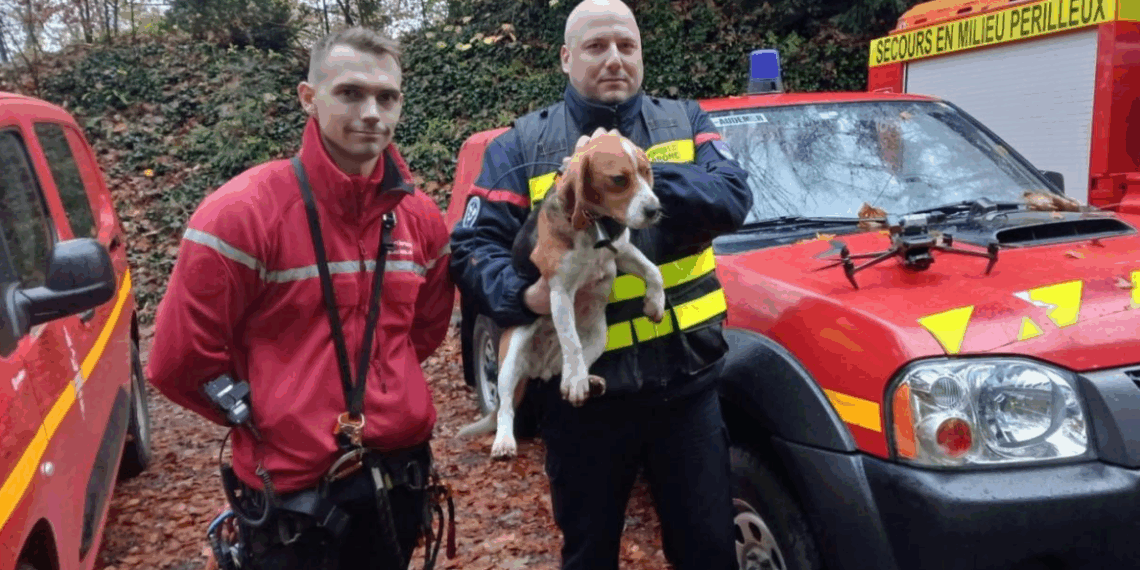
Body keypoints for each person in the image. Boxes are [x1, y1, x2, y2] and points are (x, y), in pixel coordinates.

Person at [448, 1, 753, 568]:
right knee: (588, 555)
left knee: (710, 551)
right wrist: (525, 296)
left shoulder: (686, 122)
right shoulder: (521, 146)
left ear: (641, 54)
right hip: (584, 399)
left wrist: (632, 177)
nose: (614, 59)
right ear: (566, 58)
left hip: (685, 388)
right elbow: (470, 250)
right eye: (595, 47)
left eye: (627, 46)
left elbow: (733, 197)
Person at [147, 26, 455, 570]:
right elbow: (179, 362)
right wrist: (269, 411)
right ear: (308, 98)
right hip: (292, 496)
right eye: (350, 93)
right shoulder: (241, 215)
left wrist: (387, 390)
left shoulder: (421, 219)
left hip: (399, 478)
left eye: (387, 97)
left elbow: (421, 333)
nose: (372, 113)